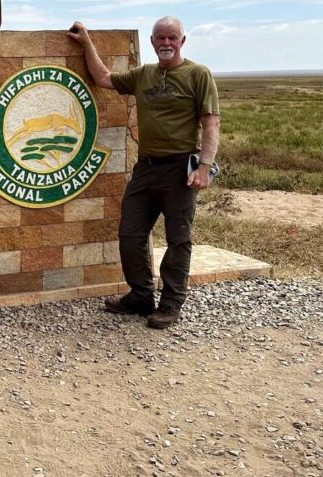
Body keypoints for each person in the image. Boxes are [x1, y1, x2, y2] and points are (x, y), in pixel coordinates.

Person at [67, 17, 220, 329]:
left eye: (172, 38)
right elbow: (104, 78)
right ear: (152, 42)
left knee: (179, 239)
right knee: (130, 234)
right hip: (146, 168)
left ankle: (171, 304)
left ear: (182, 41)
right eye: (160, 38)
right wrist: (86, 43)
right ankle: (140, 296)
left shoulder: (198, 74)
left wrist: (204, 167)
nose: (166, 43)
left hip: (180, 170)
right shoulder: (144, 75)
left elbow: (211, 124)